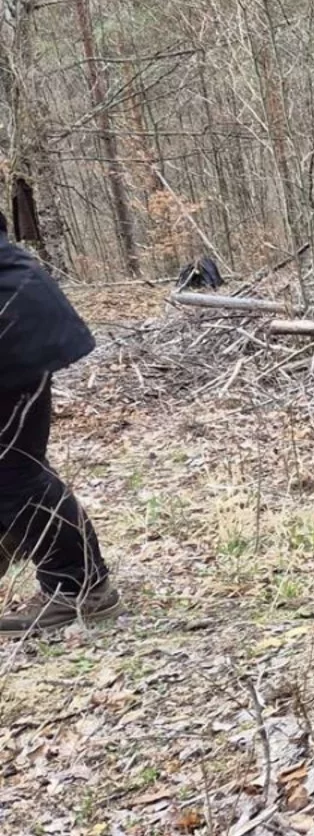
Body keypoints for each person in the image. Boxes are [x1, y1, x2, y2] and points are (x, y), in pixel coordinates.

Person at [0, 210, 120, 638]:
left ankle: (79, 586)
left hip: (13, 327)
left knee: (12, 468)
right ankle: (19, 539)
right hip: (17, 315)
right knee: (14, 464)